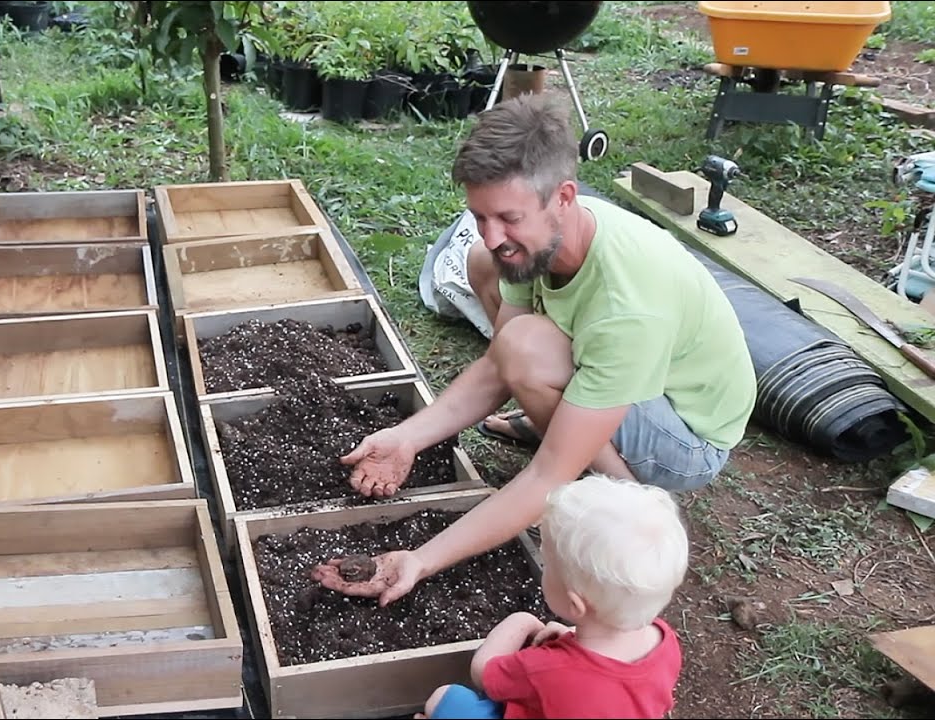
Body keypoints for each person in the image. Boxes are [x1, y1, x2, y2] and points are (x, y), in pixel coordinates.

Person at [312, 91, 756, 606]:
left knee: (530, 351)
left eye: (508, 217)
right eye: (480, 215)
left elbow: (547, 473)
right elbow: (500, 361)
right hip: (623, 383)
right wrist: (408, 438)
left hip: (686, 436)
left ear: (564, 197)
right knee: (485, 268)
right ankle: (564, 417)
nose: (494, 233)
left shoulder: (628, 304)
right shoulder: (543, 242)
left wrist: (421, 558)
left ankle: (627, 499)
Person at [413, 474, 688, 719]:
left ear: (574, 604)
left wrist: (523, 622)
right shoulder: (665, 641)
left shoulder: (550, 669)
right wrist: (569, 634)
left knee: (445, 700)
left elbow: (484, 673)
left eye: (548, 565)